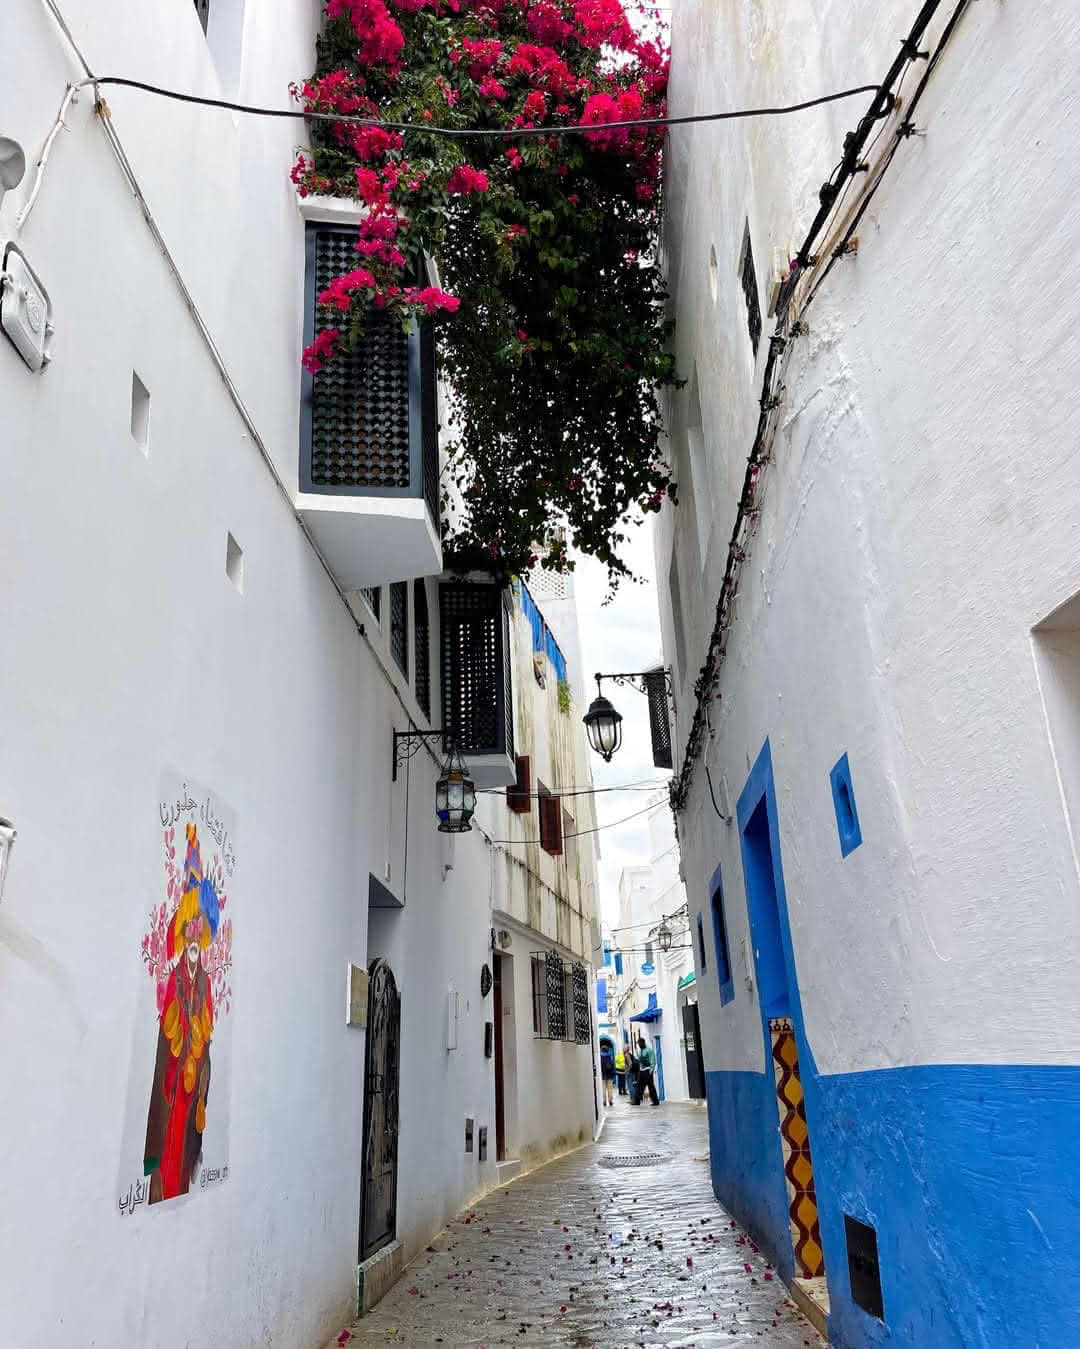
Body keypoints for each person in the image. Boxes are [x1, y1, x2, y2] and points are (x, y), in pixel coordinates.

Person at [636, 1035, 660, 1107]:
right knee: (639, 1086)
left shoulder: (649, 1050)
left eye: (640, 1044)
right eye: (638, 1044)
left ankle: (655, 1101)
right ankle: (637, 1101)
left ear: (643, 1043)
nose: (639, 1045)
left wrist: (651, 1070)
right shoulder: (640, 1051)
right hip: (641, 1071)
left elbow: (653, 1060)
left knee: (651, 1086)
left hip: (647, 1070)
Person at [600, 1042, 615, 1107]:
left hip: (602, 1075)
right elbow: (612, 1065)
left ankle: (604, 1101)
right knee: (610, 1088)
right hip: (609, 1074)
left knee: (603, 1088)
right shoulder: (610, 1056)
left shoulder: (599, 1056)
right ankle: (610, 1100)